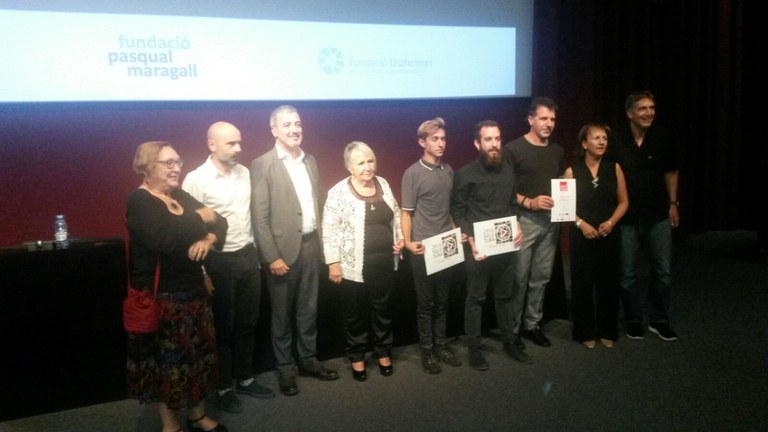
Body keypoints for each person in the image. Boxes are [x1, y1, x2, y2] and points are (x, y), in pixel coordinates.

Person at [126, 141, 229, 432]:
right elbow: (165, 239)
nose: (176, 168)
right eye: (168, 163)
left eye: (178, 162)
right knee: (169, 366)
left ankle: (197, 415)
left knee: (197, 359)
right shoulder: (140, 201)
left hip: (195, 295)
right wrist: (199, 218)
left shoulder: (180, 196)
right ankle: (170, 425)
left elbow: (220, 222)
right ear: (148, 167)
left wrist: (207, 239)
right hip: (164, 301)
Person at [182, 121, 274, 414]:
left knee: (248, 322)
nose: (238, 148)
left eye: (239, 142)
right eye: (231, 143)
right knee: (223, 327)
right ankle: (223, 387)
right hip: (218, 261)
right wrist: (202, 272)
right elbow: (188, 230)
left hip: (247, 257)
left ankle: (245, 378)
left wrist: (257, 257)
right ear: (212, 144)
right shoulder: (196, 180)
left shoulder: (244, 173)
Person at [250, 105, 338, 397]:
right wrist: (271, 256)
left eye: (297, 124)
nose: (294, 129)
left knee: (308, 309)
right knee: (281, 316)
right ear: (274, 130)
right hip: (281, 252)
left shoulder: (309, 160)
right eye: (287, 125)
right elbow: (260, 217)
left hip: (312, 245)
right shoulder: (262, 164)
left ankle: (308, 360)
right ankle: (285, 368)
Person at [322, 141, 404, 381]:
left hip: (384, 264)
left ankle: (383, 352)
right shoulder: (338, 192)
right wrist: (333, 262)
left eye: (370, 161)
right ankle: (357, 356)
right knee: (354, 313)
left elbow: (397, 214)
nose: (368, 167)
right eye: (360, 163)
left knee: (382, 310)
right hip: (352, 266)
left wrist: (399, 238)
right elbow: (329, 229)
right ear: (349, 167)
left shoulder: (384, 184)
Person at [451, 120, 528, 370]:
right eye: (488, 139)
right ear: (477, 143)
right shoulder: (465, 174)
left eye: (497, 138)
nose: (494, 144)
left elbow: (513, 205)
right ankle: (474, 349)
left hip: (505, 246)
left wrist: (518, 224)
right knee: (476, 299)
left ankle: (509, 342)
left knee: (505, 296)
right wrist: (470, 240)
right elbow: (458, 211)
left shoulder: (508, 171)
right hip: (478, 248)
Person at [607, 91, 680, 341]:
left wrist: (673, 204)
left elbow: (671, 172)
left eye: (652, 108)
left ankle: (660, 319)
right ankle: (633, 319)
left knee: (663, 273)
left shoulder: (663, 137)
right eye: (642, 109)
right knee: (627, 274)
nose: (649, 113)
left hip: (658, 215)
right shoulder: (615, 139)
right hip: (627, 218)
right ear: (630, 113)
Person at [401, 117, 462, 374]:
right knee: (426, 304)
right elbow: (406, 213)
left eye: (443, 139)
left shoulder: (448, 170)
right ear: (422, 142)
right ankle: (426, 350)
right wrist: (408, 242)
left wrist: (455, 232)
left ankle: (440, 345)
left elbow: (447, 210)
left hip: (445, 245)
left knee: (442, 301)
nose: (440, 143)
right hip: (424, 248)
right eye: (435, 139)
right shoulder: (412, 173)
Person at [503, 96, 565, 348]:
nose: (549, 123)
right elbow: (504, 189)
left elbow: (562, 183)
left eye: (552, 119)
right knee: (519, 278)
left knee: (541, 277)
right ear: (530, 119)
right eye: (543, 118)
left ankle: (532, 324)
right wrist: (529, 202)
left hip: (551, 222)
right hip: (524, 221)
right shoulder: (513, 149)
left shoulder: (557, 150)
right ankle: (512, 330)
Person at [564, 124, 628, 348]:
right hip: (582, 236)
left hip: (608, 234)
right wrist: (581, 224)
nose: (602, 142)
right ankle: (585, 332)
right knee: (582, 284)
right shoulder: (571, 171)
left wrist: (611, 222)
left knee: (608, 283)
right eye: (596, 138)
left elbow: (624, 202)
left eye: (604, 138)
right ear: (584, 144)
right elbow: (564, 208)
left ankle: (607, 330)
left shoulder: (614, 168)